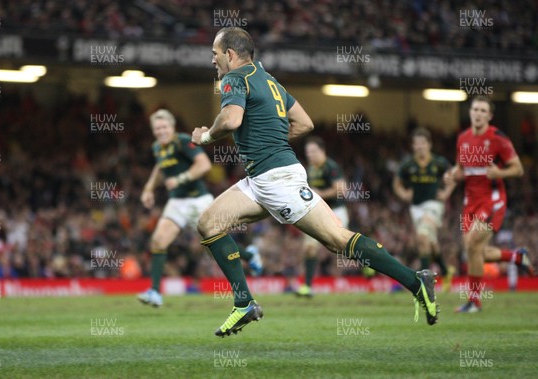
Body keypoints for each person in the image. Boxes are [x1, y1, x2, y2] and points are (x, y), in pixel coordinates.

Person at [191, 27, 438, 337]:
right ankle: (244, 303)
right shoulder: (270, 81)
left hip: (276, 179)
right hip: (262, 178)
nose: (213, 61)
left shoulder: (234, 78)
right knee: (209, 223)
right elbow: (304, 123)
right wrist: (271, 140)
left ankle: (416, 282)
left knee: (337, 239)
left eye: (215, 54)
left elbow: (231, 120)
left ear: (229, 54)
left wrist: (206, 136)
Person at [137, 109, 262, 307]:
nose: (161, 131)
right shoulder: (158, 148)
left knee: (214, 249)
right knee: (159, 241)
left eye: (164, 127)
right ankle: (154, 292)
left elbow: (203, 165)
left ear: (172, 126)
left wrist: (181, 178)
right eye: (157, 128)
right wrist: (149, 188)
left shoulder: (183, 141)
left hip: (198, 200)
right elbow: (160, 167)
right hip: (177, 202)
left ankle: (248, 255)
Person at [444, 96, 532, 313]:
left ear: (490, 116)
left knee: (474, 244)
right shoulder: (463, 138)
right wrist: (452, 175)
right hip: (470, 202)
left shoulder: (498, 138)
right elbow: (461, 170)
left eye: (483, 110)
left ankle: (474, 302)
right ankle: (516, 256)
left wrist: (500, 172)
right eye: (475, 109)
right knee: (474, 251)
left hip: (492, 200)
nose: (479, 113)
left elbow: (518, 169)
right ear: (470, 112)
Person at [393, 128, 456, 292]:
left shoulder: (439, 163)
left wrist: (447, 192)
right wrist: (403, 194)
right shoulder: (408, 164)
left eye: (423, 143)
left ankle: (425, 283)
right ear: (413, 146)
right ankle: (446, 269)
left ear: (429, 145)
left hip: (434, 204)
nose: (420, 146)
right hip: (416, 207)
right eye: (417, 143)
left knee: (422, 236)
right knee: (429, 243)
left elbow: (453, 177)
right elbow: (397, 184)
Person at [295, 137, 349, 298]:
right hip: (318, 213)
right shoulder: (310, 169)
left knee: (343, 246)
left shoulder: (331, 167)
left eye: (313, 151)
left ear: (322, 151)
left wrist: (319, 193)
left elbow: (342, 190)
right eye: (307, 152)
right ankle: (307, 287)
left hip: (336, 211)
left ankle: (368, 263)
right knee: (309, 248)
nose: (310, 155)